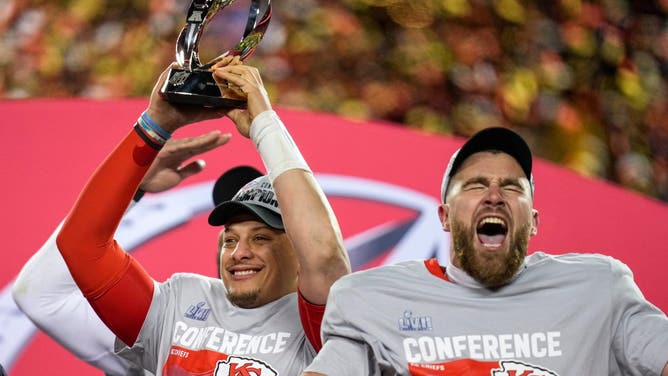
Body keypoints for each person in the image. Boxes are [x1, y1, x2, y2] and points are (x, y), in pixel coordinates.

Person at [54, 56, 350, 375]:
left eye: (261, 237)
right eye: (230, 239)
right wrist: (155, 125)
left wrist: (264, 122)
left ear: (298, 252)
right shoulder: (177, 302)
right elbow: (81, 246)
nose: (239, 253)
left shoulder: (325, 330)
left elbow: (324, 255)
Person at [303, 127, 668, 376]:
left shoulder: (598, 288)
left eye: (511, 187)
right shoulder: (373, 300)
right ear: (445, 217)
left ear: (534, 221)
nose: (494, 195)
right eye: (476, 185)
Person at [12, 132, 260, 376]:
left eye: (262, 234)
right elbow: (40, 295)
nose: (241, 249)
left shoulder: (298, 336)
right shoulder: (171, 327)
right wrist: (133, 187)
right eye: (230, 232)